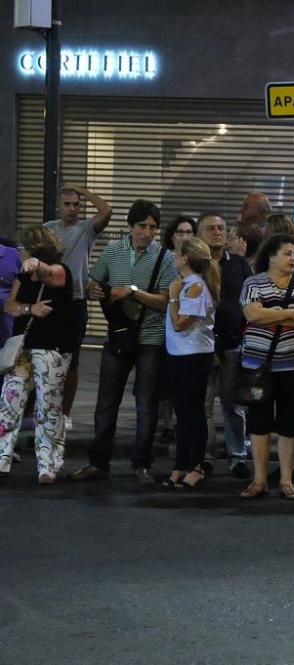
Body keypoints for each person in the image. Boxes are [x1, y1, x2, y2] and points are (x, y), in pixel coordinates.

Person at [72, 200, 176, 485]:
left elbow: (166, 301)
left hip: (151, 338)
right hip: (118, 334)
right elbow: (95, 283)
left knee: (146, 404)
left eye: (153, 227)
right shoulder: (113, 251)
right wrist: (96, 290)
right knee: (106, 402)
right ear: (130, 227)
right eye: (142, 226)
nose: (147, 232)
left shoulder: (166, 258)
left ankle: (141, 464)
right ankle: (98, 461)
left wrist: (132, 292)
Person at [238, 234, 294, 500]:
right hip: (258, 365)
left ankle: (286, 480)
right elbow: (252, 314)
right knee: (259, 421)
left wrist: (272, 315)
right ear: (271, 256)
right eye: (287, 253)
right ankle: (259, 479)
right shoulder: (253, 282)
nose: (293, 259)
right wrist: (292, 314)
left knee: (289, 422)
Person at [0, 227, 73, 482]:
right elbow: (10, 306)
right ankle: (1, 458)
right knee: (9, 402)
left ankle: (48, 466)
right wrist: (30, 308)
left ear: (34, 248)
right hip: (22, 348)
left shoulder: (60, 270)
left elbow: (52, 275)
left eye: (22, 248)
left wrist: (38, 264)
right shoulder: (22, 275)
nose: (18, 252)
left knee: (48, 407)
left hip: (51, 349)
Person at [43, 185, 112, 432]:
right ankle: (42, 410)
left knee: (71, 361)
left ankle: (66, 413)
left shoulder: (86, 229)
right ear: (59, 206)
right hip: (50, 302)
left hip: (75, 303)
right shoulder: (48, 230)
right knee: (45, 360)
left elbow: (106, 210)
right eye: (67, 204)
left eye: (76, 204)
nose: (72, 209)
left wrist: (82, 190)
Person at [197, 213, 253, 479]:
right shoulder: (195, 264)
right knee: (204, 405)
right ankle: (206, 457)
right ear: (200, 234)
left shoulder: (239, 264)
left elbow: (250, 299)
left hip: (232, 344)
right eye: (211, 228)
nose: (217, 232)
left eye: (221, 228)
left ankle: (237, 456)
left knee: (233, 405)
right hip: (201, 345)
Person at [161, 238, 219, 490]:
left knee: (193, 412)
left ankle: (196, 465)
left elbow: (180, 323)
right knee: (183, 412)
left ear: (185, 258)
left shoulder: (195, 286)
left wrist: (173, 297)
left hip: (194, 356)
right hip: (179, 354)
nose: (174, 255)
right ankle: (180, 465)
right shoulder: (186, 284)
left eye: (178, 253)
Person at [156, 216, 196, 444]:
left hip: (188, 324)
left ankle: (182, 423)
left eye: (189, 232)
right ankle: (167, 423)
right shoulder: (164, 258)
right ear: (172, 236)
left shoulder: (198, 261)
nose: (184, 236)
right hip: (166, 321)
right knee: (166, 380)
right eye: (180, 232)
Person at [236, 192, 271, 258]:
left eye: (246, 206)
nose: (241, 210)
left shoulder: (269, 236)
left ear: (261, 211)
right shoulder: (239, 228)